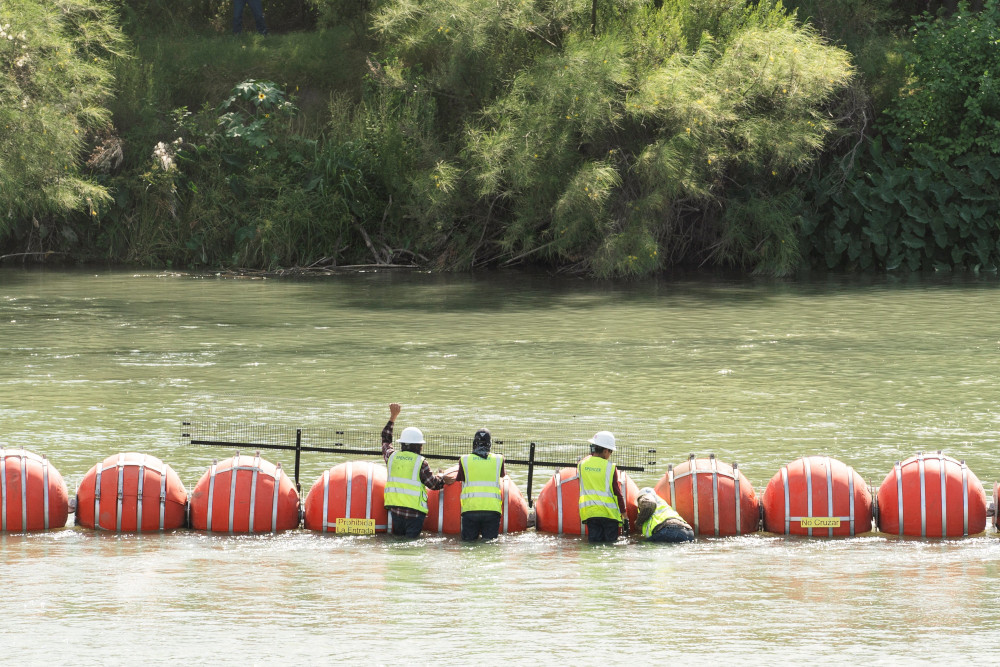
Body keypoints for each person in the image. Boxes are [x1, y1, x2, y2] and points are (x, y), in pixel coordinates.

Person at [381, 402, 446, 538]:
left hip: (395, 510)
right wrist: (442, 477)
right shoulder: (421, 462)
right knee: (410, 544)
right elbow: (433, 484)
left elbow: (385, 440)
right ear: (419, 446)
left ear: (403, 444)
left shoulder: (392, 457)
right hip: (415, 514)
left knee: (398, 541)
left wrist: (393, 417)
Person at [452, 427, 506, 541]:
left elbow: (459, 478)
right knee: (489, 544)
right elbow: (502, 476)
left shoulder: (464, 460)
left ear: (474, 443)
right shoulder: (499, 459)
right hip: (492, 510)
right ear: (489, 444)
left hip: (470, 510)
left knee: (469, 544)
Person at [577, 431, 628, 543]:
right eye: (610, 452)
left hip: (590, 514)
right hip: (609, 515)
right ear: (605, 451)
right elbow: (617, 492)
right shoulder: (610, 467)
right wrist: (624, 514)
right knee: (610, 546)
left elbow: (586, 460)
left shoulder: (581, 465)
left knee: (594, 545)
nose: (610, 455)